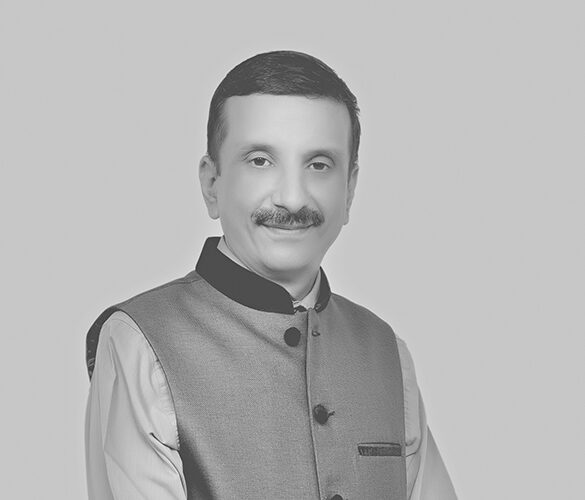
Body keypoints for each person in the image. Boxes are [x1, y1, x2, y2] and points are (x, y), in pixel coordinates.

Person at [85, 50, 457, 500]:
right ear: (211, 184)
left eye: (319, 165)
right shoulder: (140, 342)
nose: (292, 198)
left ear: (349, 190)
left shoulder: (387, 352)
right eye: (260, 160)